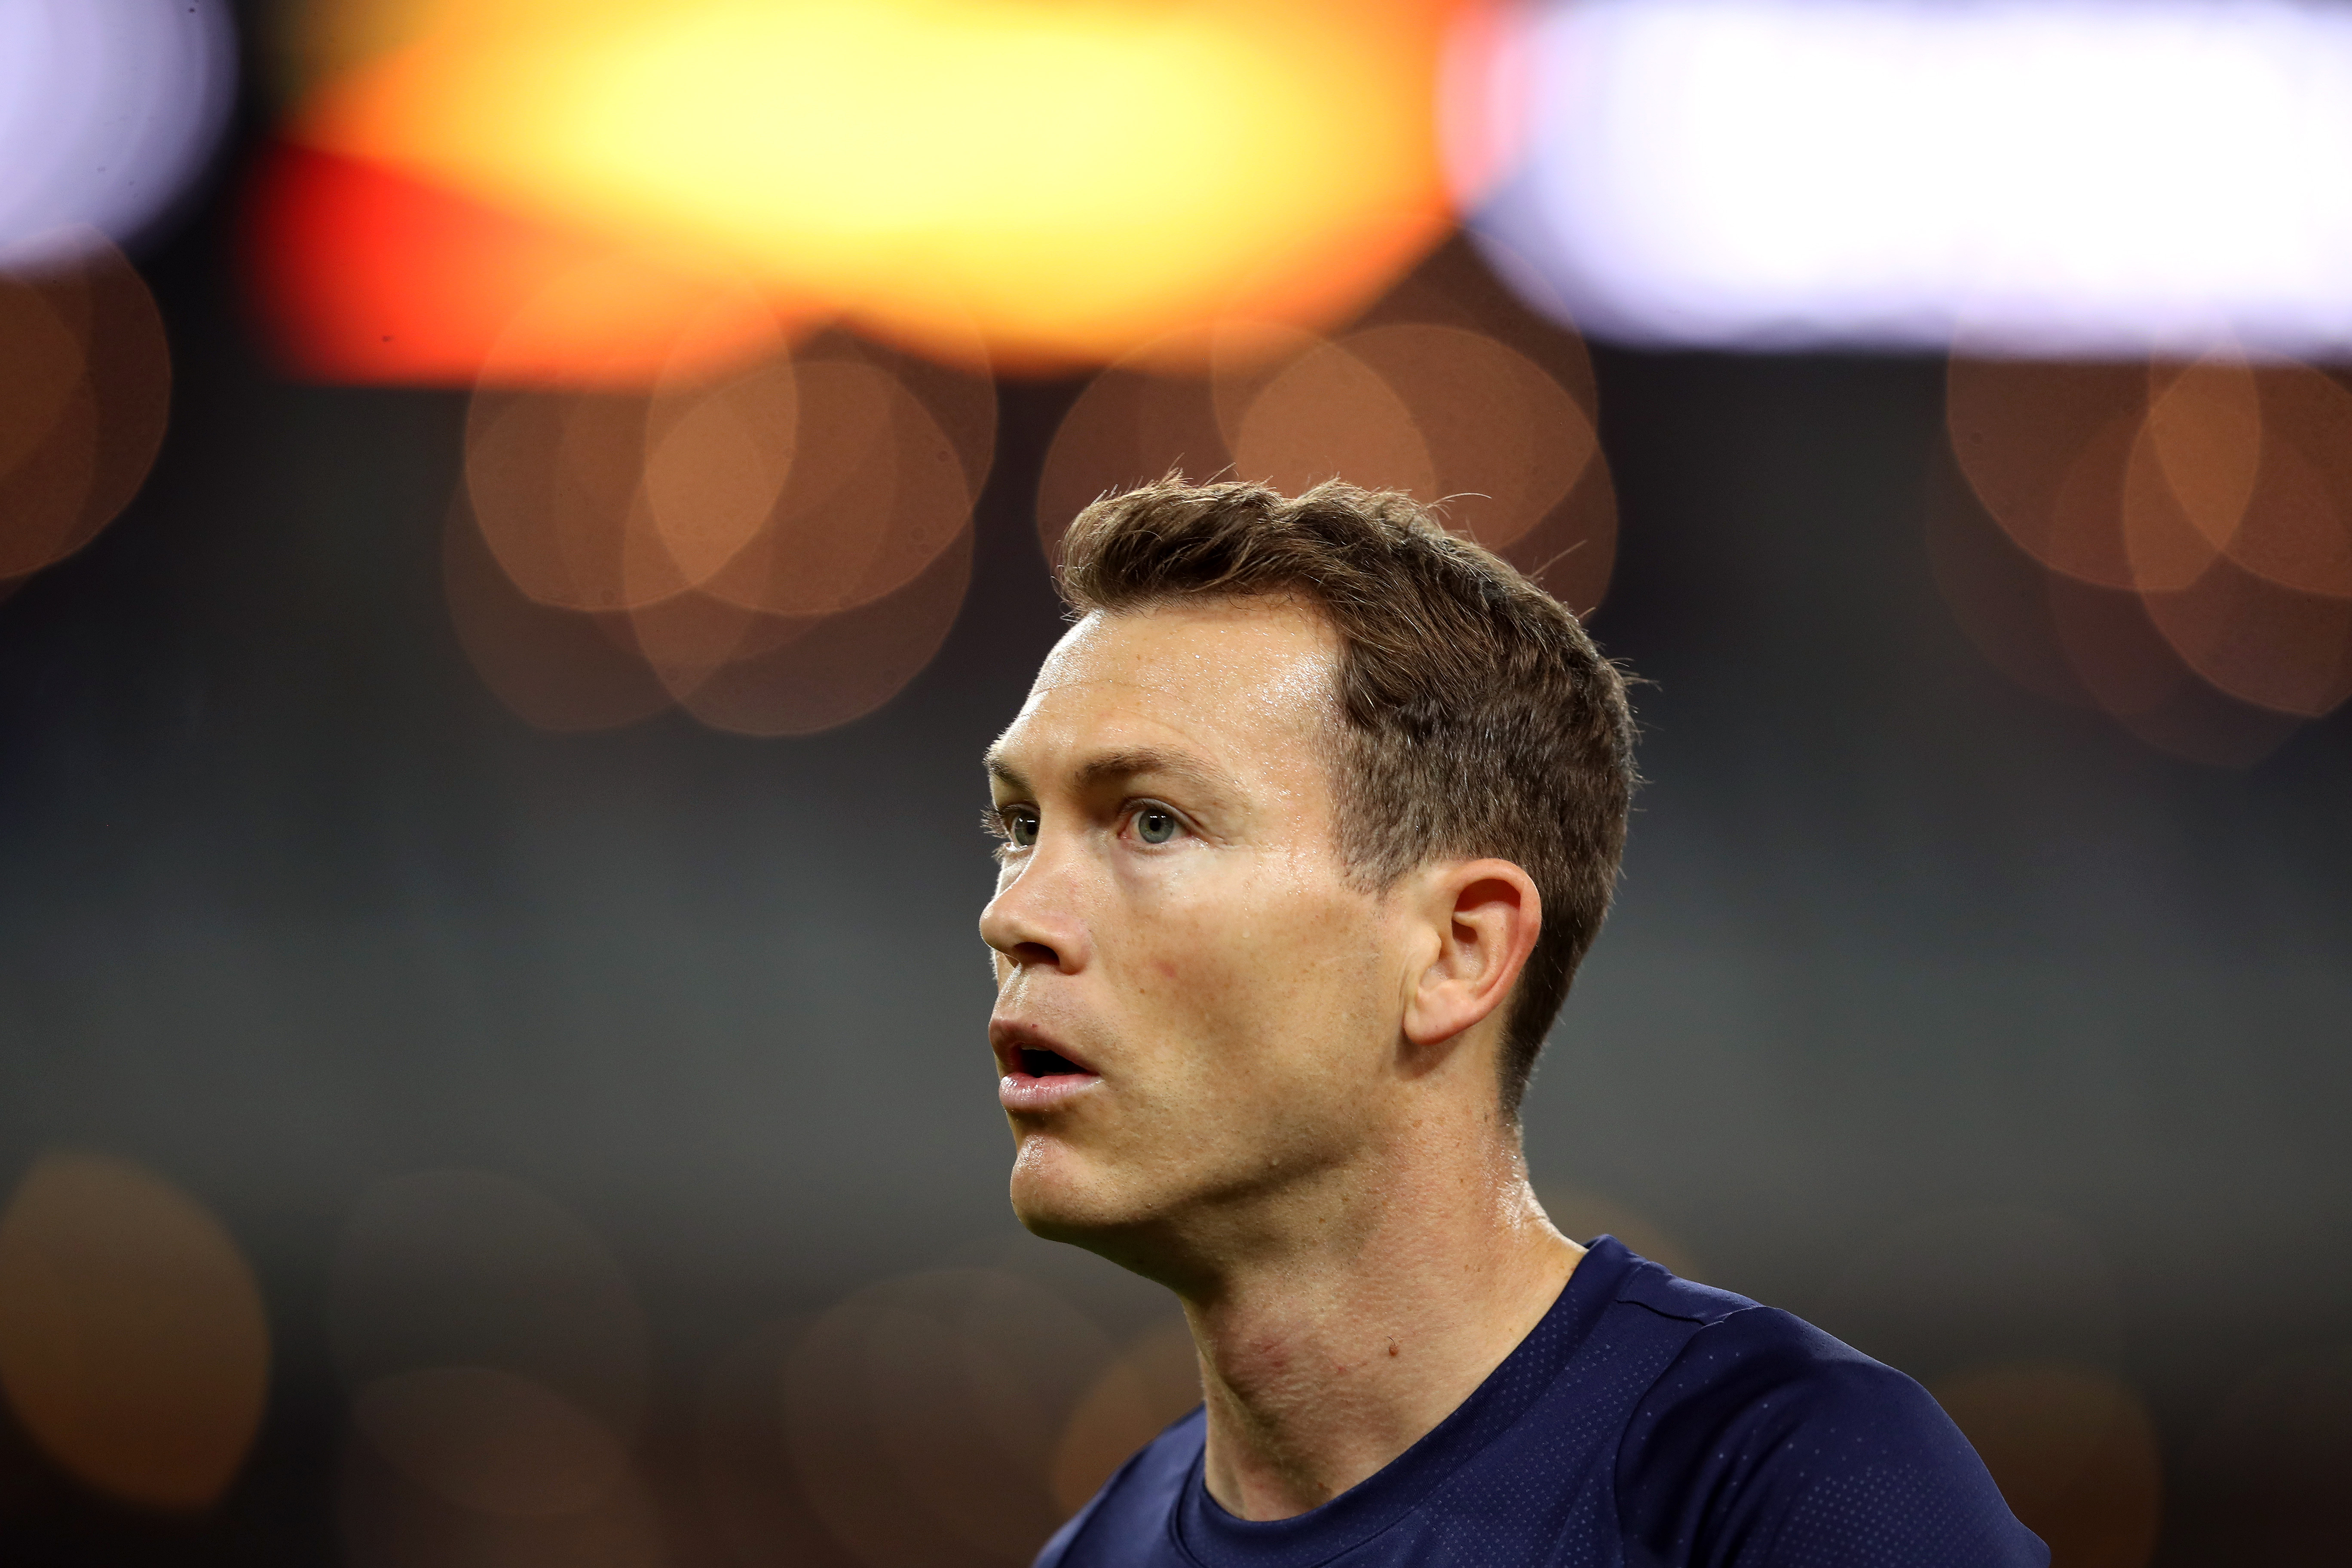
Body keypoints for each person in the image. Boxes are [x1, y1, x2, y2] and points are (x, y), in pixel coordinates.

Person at [979, 477, 2045, 1567]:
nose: (1012, 913)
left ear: (1458, 950)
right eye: (1018, 825)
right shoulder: (1092, 1552)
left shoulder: (1786, 1486)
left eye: (1151, 822)